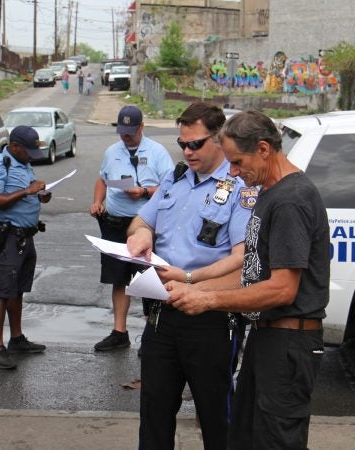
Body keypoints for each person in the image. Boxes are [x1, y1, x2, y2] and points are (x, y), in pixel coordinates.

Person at [165, 110, 330, 450]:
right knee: (244, 437)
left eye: (238, 163)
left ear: (264, 149)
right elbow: (252, 273)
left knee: (275, 441)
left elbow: (283, 288)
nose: (234, 173)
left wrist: (208, 300)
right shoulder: (269, 192)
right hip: (266, 339)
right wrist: (191, 286)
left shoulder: (291, 200)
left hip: (288, 345)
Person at [126, 102, 256, 450]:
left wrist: (190, 280)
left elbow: (244, 261)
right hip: (161, 315)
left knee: (217, 418)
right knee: (154, 413)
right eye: (182, 143)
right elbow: (140, 220)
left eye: (195, 144)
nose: (186, 150)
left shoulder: (240, 187)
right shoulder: (176, 177)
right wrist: (142, 234)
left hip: (210, 317)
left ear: (219, 139)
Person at [89, 105, 174, 352]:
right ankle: (119, 332)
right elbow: (103, 179)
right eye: (122, 131)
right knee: (119, 279)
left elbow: (171, 187)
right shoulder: (112, 152)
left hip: (144, 227)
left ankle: (152, 335)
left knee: (149, 280)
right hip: (115, 224)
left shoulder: (157, 152)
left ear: (141, 127)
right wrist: (97, 201)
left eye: (130, 131)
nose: (125, 136)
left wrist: (145, 191)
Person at [0, 126, 52, 370]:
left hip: (25, 237)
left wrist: (39, 196)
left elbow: (26, 191)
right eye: (28, 151)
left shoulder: (22, 163)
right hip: (7, 237)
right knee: (3, 290)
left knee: (17, 289)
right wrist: (26, 192)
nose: (32, 156)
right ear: (14, 147)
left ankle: (17, 338)